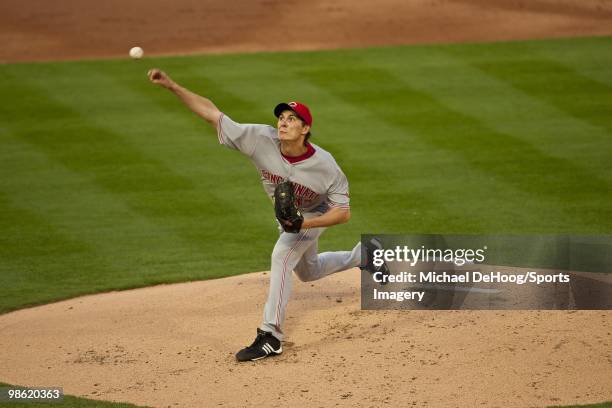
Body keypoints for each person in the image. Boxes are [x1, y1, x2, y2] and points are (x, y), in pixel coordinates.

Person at [147, 68, 387, 362]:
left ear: (305, 130)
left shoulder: (325, 165)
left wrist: (305, 224)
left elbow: (343, 213)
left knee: (282, 256)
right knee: (307, 271)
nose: (283, 123)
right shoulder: (260, 138)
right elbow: (213, 114)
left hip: (316, 213)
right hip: (290, 217)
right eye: (282, 118)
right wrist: (172, 86)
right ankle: (364, 256)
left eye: (292, 120)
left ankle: (270, 336)